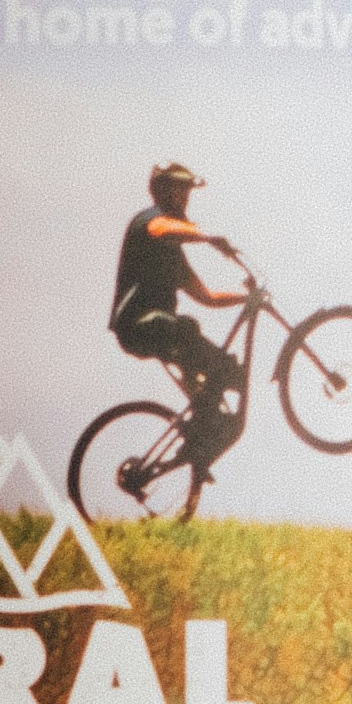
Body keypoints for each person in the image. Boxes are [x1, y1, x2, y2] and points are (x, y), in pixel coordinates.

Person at [109, 161, 254, 474]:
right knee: (187, 331)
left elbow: (207, 297)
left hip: (159, 330)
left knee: (227, 372)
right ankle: (202, 426)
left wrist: (247, 299)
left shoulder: (173, 255)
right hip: (140, 325)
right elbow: (163, 228)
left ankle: (199, 437)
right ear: (163, 191)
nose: (186, 197)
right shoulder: (149, 221)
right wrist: (207, 238)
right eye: (180, 189)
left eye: (188, 191)